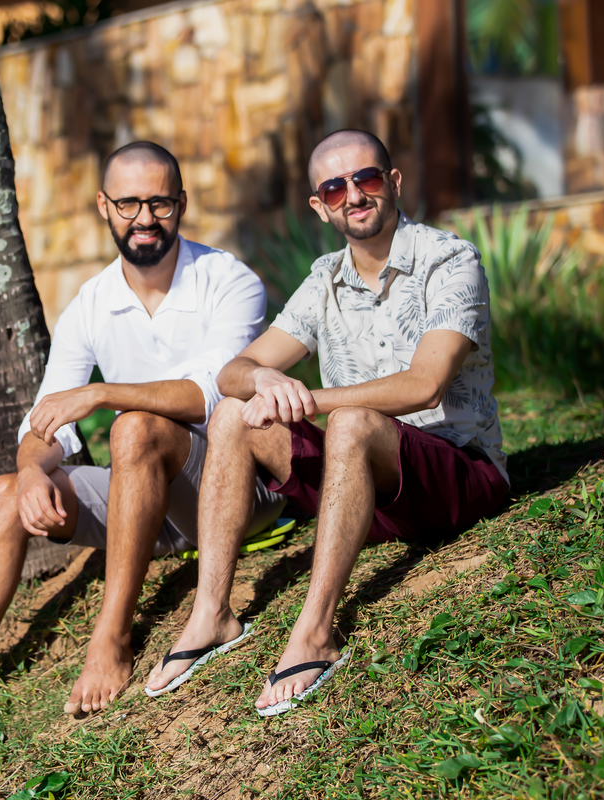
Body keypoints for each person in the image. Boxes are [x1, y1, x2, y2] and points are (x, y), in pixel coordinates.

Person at [0, 142, 285, 755]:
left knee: (134, 426)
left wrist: (102, 395)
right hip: (149, 497)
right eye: (128, 203)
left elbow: (210, 392)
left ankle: (112, 637)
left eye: (159, 202)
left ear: (181, 203)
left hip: (237, 490)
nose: (144, 217)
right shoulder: (92, 303)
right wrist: (33, 469)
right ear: (104, 206)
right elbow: (49, 420)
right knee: (6, 491)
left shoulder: (227, 280)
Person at [143, 129, 509, 716]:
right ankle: (212, 614)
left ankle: (315, 631)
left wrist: (308, 398)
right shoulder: (324, 280)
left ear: (391, 183)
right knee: (238, 411)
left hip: (456, 474)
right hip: (366, 488)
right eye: (335, 188)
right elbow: (235, 371)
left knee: (351, 422)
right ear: (320, 205)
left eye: (365, 179)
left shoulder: (449, 259)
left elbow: (425, 384)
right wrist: (266, 381)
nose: (353, 196)